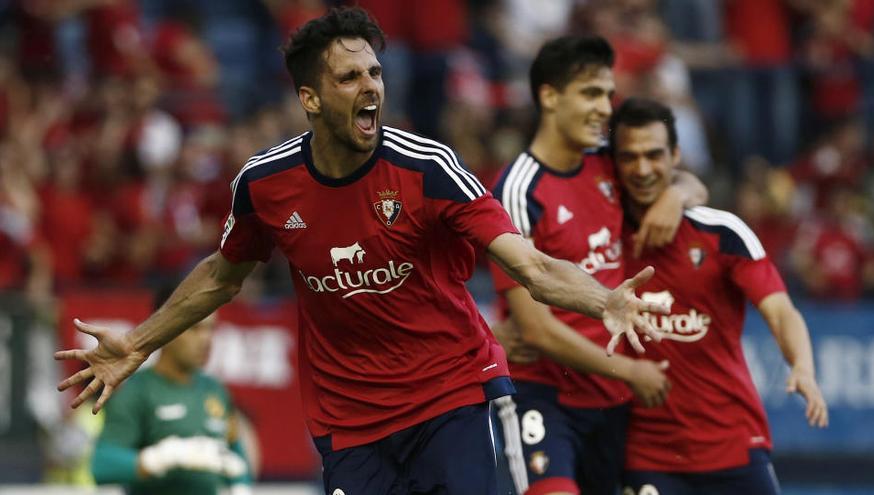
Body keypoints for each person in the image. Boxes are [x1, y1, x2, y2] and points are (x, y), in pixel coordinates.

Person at [55, 7, 667, 495]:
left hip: (453, 398)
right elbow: (222, 275)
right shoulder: (265, 185)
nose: (370, 87)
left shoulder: (429, 169)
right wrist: (136, 345)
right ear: (311, 99)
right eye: (349, 78)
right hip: (350, 425)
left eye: (375, 73)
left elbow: (530, 265)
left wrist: (603, 300)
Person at [489, 35, 707, 495]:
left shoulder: (607, 165)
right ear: (549, 96)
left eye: (608, 94)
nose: (606, 108)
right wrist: (632, 371)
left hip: (613, 401)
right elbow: (535, 330)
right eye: (590, 93)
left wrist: (675, 196)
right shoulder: (517, 189)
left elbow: (685, 179)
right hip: (546, 397)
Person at [608, 97, 828, 495]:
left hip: (735, 444)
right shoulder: (603, 237)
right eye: (630, 157)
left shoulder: (723, 232)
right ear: (615, 162)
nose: (642, 169)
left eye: (654, 155)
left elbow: (780, 311)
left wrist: (803, 367)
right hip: (649, 456)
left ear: (675, 155)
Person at [90, 288, 252, 495]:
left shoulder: (215, 390)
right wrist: (162, 457)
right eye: (195, 328)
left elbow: (237, 459)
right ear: (164, 328)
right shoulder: (137, 392)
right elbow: (101, 465)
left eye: (211, 329)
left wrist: (241, 485)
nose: (206, 339)